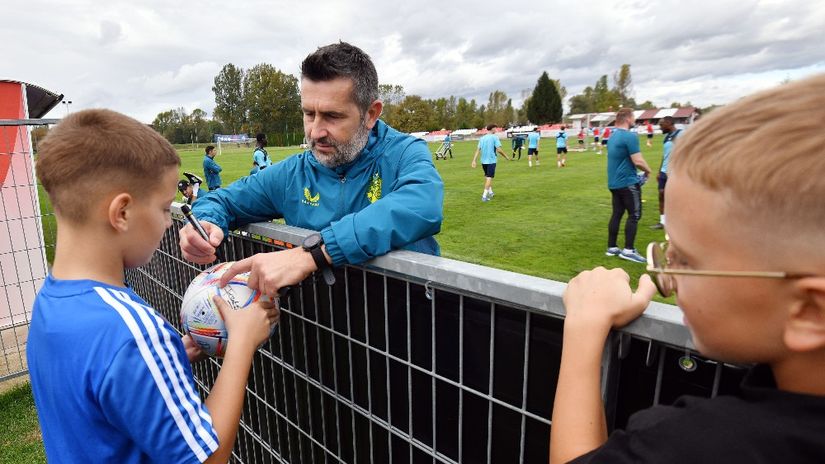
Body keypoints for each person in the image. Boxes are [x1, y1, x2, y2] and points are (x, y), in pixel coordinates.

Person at [549, 74, 825, 464]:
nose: (669, 279)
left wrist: (583, 326)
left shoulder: (706, 446)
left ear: (810, 311)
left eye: (686, 261)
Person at [27, 109, 279, 463]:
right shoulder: (132, 331)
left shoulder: (50, 303)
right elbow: (207, 458)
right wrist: (241, 342)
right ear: (122, 213)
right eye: (164, 209)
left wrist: (164, 360)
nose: (167, 224)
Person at [180, 42, 444, 297]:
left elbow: (422, 204)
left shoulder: (403, 153)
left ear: (371, 114)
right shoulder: (293, 173)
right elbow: (223, 200)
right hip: (321, 328)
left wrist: (314, 253)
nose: (315, 132)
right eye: (309, 114)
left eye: (333, 116)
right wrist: (206, 221)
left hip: (404, 325)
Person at [604, 108, 652, 264]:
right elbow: (637, 160)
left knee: (617, 214)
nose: (634, 121)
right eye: (633, 118)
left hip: (614, 182)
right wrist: (648, 171)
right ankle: (628, 250)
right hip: (627, 183)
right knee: (634, 215)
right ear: (628, 118)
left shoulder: (612, 136)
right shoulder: (629, 136)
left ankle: (612, 247)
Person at [651, 116, 681, 230]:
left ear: (669, 123)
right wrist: (659, 171)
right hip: (664, 171)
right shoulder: (667, 137)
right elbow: (665, 156)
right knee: (661, 194)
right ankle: (663, 222)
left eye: (661, 124)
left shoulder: (682, 134)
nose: (660, 127)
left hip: (676, 172)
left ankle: (678, 221)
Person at [471, 124, 511, 201]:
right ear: (492, 129)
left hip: (483, 161)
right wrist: (506, 156)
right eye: (495, 128)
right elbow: (499, 150)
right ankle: (484, 196)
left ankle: (491, 192)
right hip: (491, 161)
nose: (496, 130)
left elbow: (478, 150)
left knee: (487, 177)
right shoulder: (494, 137)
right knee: (489, 178)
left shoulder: (482, 138)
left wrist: (474, 160)